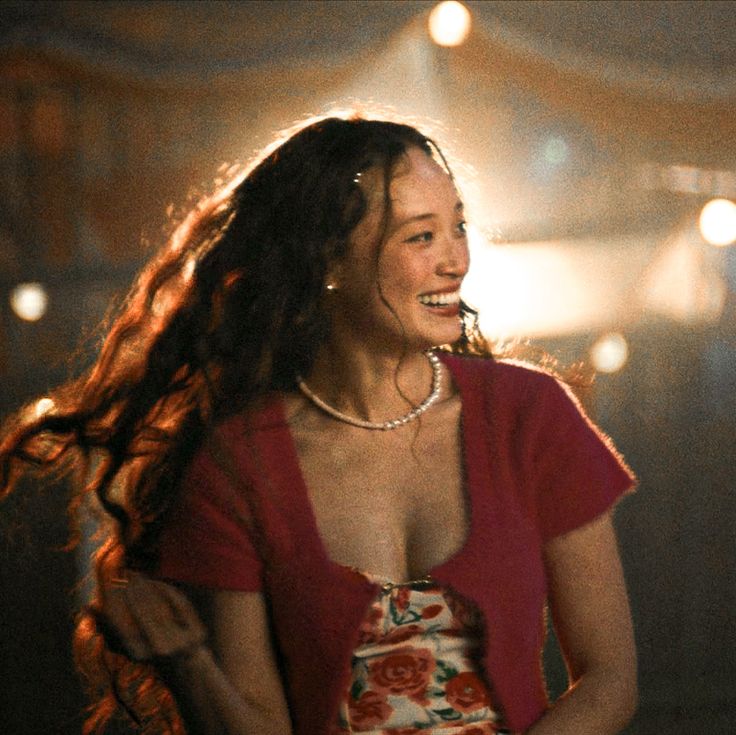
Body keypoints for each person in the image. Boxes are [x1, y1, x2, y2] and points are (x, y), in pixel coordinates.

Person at [0, 114, 637, 735]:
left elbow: (610, 680)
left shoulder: (531, 414)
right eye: (421, 237)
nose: (456, 261)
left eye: (459, 228)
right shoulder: (240, 463)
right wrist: (187, 661)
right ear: (328, 264)